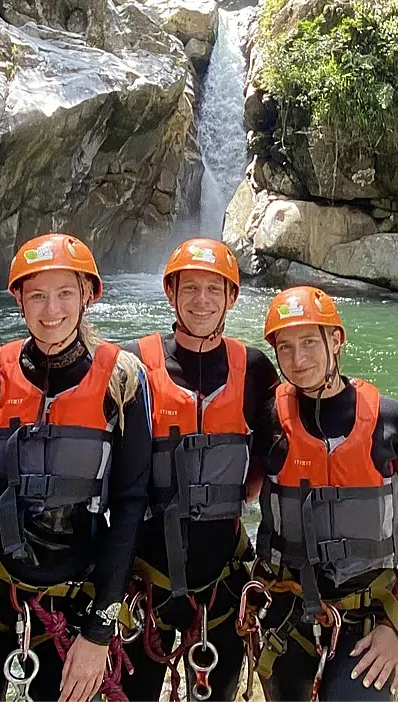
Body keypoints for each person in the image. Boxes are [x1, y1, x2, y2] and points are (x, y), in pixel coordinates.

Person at [0, 233, 152, 702]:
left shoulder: (123, 382)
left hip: (73, 597)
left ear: (87, 297)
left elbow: (130, 502)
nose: (50, 309)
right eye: (37, 294)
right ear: (18, 299)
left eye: (64, 294)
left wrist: (99, 632)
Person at [240, 286, 398, 702]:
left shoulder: (390, 419)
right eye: (286, 347)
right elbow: (242, 491)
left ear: (337, 340)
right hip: (286, 613)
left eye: (310, 342)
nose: (299, 359)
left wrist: (396, 627)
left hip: (364, 619)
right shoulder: (270, 417)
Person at [120, 238, 279, 702]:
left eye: (214, 289)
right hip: (146, 579)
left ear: (232, 297)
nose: (202, 301)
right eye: (190, 288)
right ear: (170, 293)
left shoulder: (253, 367)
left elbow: (271, 457)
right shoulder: (134, 362)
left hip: (222, 579)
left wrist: (240, 494)